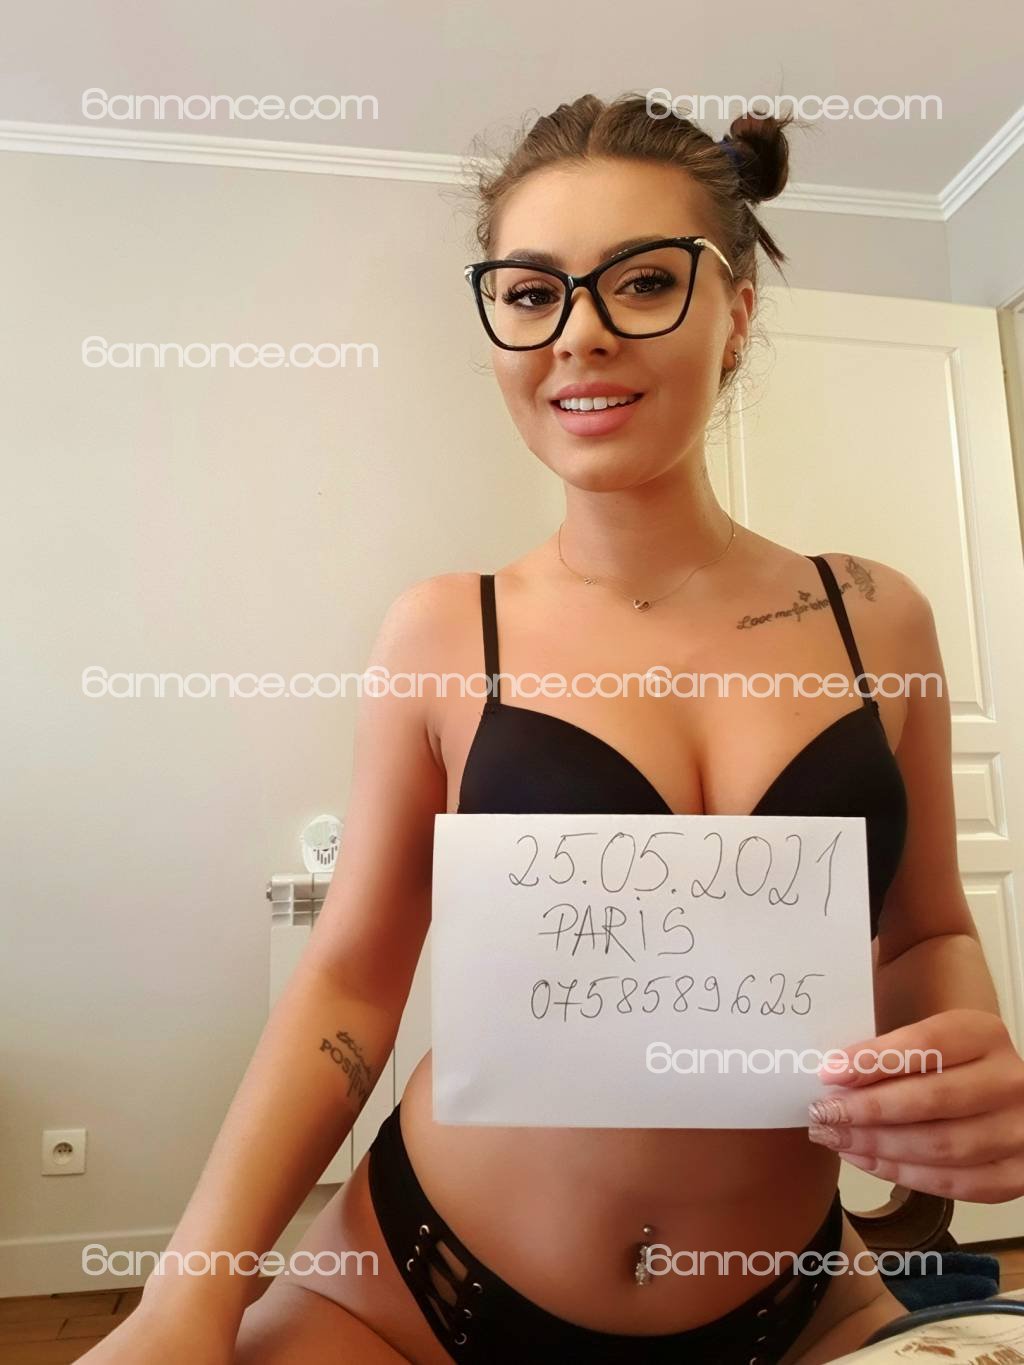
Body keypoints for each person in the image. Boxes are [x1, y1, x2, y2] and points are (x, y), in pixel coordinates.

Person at [83, 95, 1023, 1365]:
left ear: (738, 312)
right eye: (530, 294)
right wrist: (186, 1300)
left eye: (643, 281)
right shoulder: (441, 631)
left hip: (793, 1300)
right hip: (417, 1293)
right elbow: (349, 979)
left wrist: (958, 1064)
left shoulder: (874, 618)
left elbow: (923, 933)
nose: (580, 331)